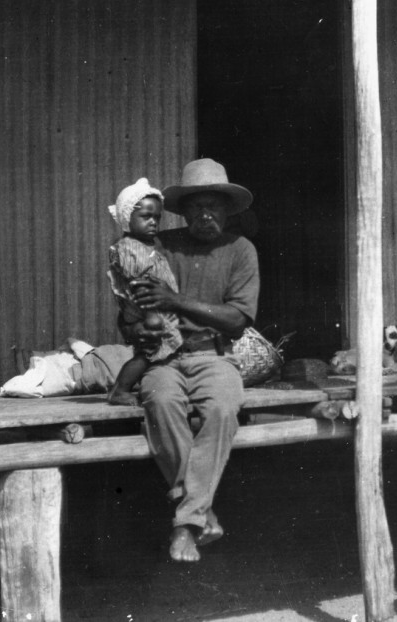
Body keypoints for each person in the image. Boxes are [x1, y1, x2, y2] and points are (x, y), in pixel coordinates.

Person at [123, 158, 259, 563]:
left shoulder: (240, 250)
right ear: (183, 211)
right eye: (196, 206)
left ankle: (185, 523)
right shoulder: (159, 246)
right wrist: (135, 329)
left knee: (221, 407)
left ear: (227, 209)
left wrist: (176, 300)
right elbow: (130, 312)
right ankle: (201, 513)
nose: (205, 214)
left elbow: (237, 320)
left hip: (212, 355)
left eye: (214, 206)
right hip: (162, 358)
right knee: (161, 403)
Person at [105, 178, 184, 406]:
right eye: (146, 216)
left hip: (156, 308)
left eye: (157, 217)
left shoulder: (143, 246)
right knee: (149, 353)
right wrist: (151, 317)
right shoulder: (132, 249)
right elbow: (139, 284)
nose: (153, 222)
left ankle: (130, 386)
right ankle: (120, 389)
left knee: (150, 352)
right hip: (150, 311)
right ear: (127, 218)